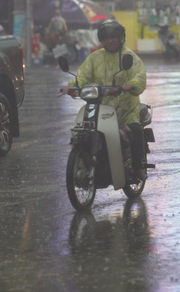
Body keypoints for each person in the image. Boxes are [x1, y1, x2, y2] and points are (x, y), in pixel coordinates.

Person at [62, 20, 148, 180]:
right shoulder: (94, 58)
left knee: (136, 129)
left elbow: (140, 75)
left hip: (126, 111)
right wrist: (72, 86)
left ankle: (137, 168)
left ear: (121, 37)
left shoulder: (130, 57)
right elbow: (83, 77)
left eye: (113, 37)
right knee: (84, 130)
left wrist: (131, 85)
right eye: (106, 38)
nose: (110, 41)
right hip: (100, 109)